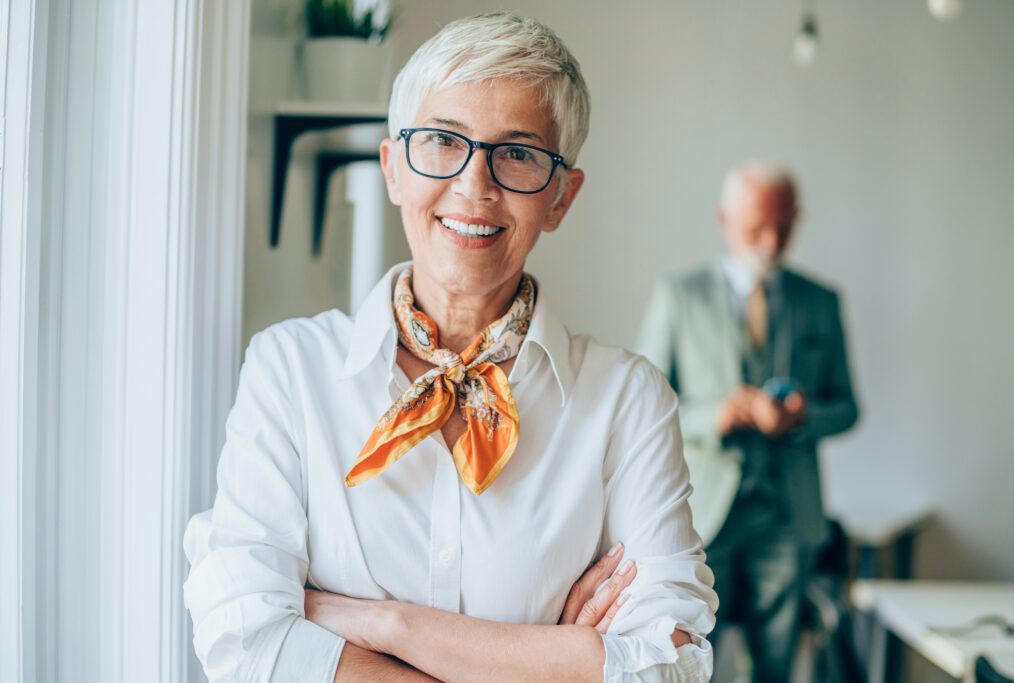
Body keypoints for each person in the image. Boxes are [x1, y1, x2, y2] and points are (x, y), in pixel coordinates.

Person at [184, 12, 716, 682]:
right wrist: (553, 660)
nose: (475, 185)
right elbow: (245, 640)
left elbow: (675, 660)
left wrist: (388, 625)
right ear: (393, 168)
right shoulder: (289, 370)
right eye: (441, 140)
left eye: (518, 152)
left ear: (560, 198)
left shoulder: (628, 401)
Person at [635, 161, 858, 682]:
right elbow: (645, 403)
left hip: (788, 517)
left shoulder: (822, 303)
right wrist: (716, 415)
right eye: (757, 227)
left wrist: (805, 418)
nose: (772, 241)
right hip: (702, 515)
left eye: (783, 227)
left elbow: (847, 407)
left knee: (775, 666)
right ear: (724, 219)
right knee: (687, 660)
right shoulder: (679, 296)